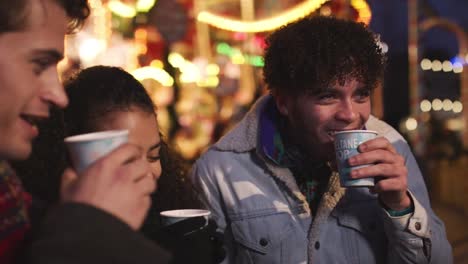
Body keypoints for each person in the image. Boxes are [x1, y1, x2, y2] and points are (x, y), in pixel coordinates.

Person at [190, 16, 453, 263]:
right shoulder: (220, 170)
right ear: (284, 101)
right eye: (327, 96)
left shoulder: (391, 147)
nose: (350, 114)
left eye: (361, 95)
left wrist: (400, 206)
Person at [0, 0, 170, 263]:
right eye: (38, 64)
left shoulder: (14, 202)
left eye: (153, 154)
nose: (58, 95)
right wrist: (89, 229)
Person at [13, 65, 225, 263]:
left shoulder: (166, 207)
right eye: (127, 159)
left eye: (154, 156)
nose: (146, 173)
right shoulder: (39, 230)